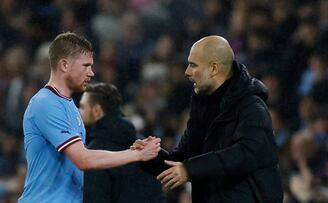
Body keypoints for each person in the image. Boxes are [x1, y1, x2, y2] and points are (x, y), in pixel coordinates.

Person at [133, 35, 283, 202]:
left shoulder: (251, 107)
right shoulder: (203, 107)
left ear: (213, 68)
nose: (187, 72)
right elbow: (182, 159)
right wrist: (151, 157)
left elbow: (245, 154)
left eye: (193, 65)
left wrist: (189, 169)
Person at [18, 32, 161, 203]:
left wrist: (132, 150)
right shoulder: (46, 103)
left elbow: (83, 158)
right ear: (64, 65)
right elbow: (83, 159)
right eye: (85, 65)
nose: (91, 73)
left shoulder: (69, 105)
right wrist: (136, 155)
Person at [80, 82, 164, 203]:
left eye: (83, 107)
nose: (79, 111)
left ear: (97, 110)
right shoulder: (143, 144)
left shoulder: (96, 151)